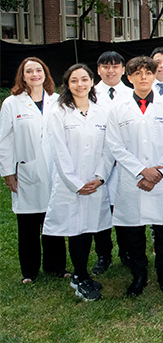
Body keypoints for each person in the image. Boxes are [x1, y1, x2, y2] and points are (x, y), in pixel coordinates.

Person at [106, 56, 163, 297]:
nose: (143, 78)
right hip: (133, 179)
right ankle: (139, 275)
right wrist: (142, 171)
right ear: (128, 78)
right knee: (134, 232)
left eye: (148, 73)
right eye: (137, 74)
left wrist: (157, 172)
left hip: (161, 178)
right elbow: (114, 144)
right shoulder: (118, 108)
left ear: (155, 76)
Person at [44, 64, 113, 300]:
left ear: (92, 82)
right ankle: (81, 277)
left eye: (84, 79)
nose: (80, 84)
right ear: (68, 84)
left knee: (90, 228)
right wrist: (75, 183)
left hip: (95, 182)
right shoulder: (59, 113)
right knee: (75, 229)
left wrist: (99, 177)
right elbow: (59, 151)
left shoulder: (102, 112)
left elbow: (109, 149)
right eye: (74, 80)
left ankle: (81, 274)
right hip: (70, 185)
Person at [0, 57, 67, 284]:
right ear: (23, 75)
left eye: (39, 70)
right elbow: (5, 140)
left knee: (53, 220)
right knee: (28, 225)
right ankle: (29, 271)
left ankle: (56, 266)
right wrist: (8, 171)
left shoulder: (57, 101)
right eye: (29, 71)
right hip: (26, 171)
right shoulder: (11, 103)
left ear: (46, 74)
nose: (35, 74)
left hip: (53, 171)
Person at [91, 50, 131, 274]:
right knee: (101, 210)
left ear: (123, 70)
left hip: (124, 162)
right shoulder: (90, 92)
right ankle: (103, 255)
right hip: (97, 160)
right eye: (105, 66)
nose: (111, 70)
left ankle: (126, 252)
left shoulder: (131, 92)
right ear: (99, 70)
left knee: (123, 209)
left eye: (115, 66)